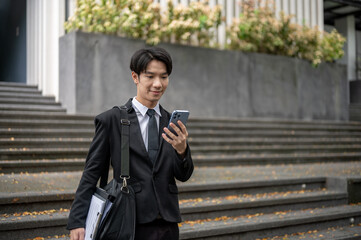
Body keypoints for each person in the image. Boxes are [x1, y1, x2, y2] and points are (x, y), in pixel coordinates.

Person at [67, 47, 194, 240]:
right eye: (150, 76)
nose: (158, 84)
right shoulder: (112, 119)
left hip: (168, 223)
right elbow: (91, 172)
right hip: (129, 221)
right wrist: (78, 220)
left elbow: (183, 175)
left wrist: (181, 150)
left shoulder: (171, 121)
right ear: (135, 77)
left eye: (164, 77)